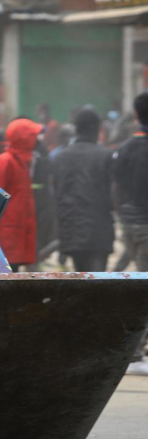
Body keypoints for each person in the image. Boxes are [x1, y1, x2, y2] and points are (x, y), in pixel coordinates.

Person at [53, 109, 114, 272]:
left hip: (70, 229)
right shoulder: (105, 155)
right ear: (96, 129)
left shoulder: (60, 157)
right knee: (96, 279)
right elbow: (113, 195)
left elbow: (56, 193)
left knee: (81, 275)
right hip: (98, 231)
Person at [115, 93, 148, 372]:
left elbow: (117, 187)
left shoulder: (125, 148)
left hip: (130, 224)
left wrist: (123, 217)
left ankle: (136, 346)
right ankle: (136, 348)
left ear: (136, 115)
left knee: (140, 280)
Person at [0, 118, 42, 271]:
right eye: (33, 136)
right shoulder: (5, 161)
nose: (37, 140)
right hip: (6, 232)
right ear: (24, 138)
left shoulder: (22, 162)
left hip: (17, 230)